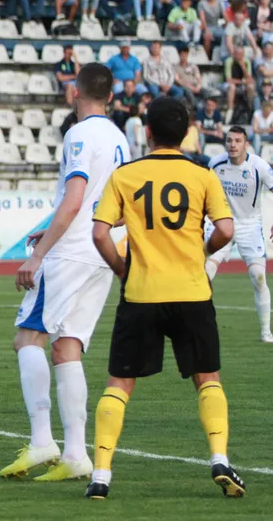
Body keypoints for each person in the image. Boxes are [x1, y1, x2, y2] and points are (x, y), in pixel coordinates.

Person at [88, 96, 245, 500]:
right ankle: (219, 458)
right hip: (191, 291)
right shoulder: (202, 175)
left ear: (148, 132)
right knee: (207, 377)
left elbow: (100, 232)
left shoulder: (125, 175)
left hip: (141, 293)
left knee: (120, 383)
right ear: (188, 132)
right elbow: (226, 230)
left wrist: (121, 268)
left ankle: (101, 474)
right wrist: (204, 252)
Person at [4, 64, 129, 481]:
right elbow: (112, 203)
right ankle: (76, 454)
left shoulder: (79, 134)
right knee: (67, 347)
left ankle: (42, 441)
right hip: (101, 251)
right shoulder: (119, 138)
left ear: (75, 92)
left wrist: (38, 255)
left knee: (28, 338)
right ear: (110, 96)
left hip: (70, 254)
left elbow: (74, 199)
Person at [205, 127, 272, 340]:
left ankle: (266, 331)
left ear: (246, 144)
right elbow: (203, 193)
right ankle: (200, 326)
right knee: (205, 272)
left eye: (237, 141)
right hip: (221, 223)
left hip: (249, 225)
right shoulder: (215, 164)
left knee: (258, 276)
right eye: (229, 140)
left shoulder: (259, 166)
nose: (233, 145)